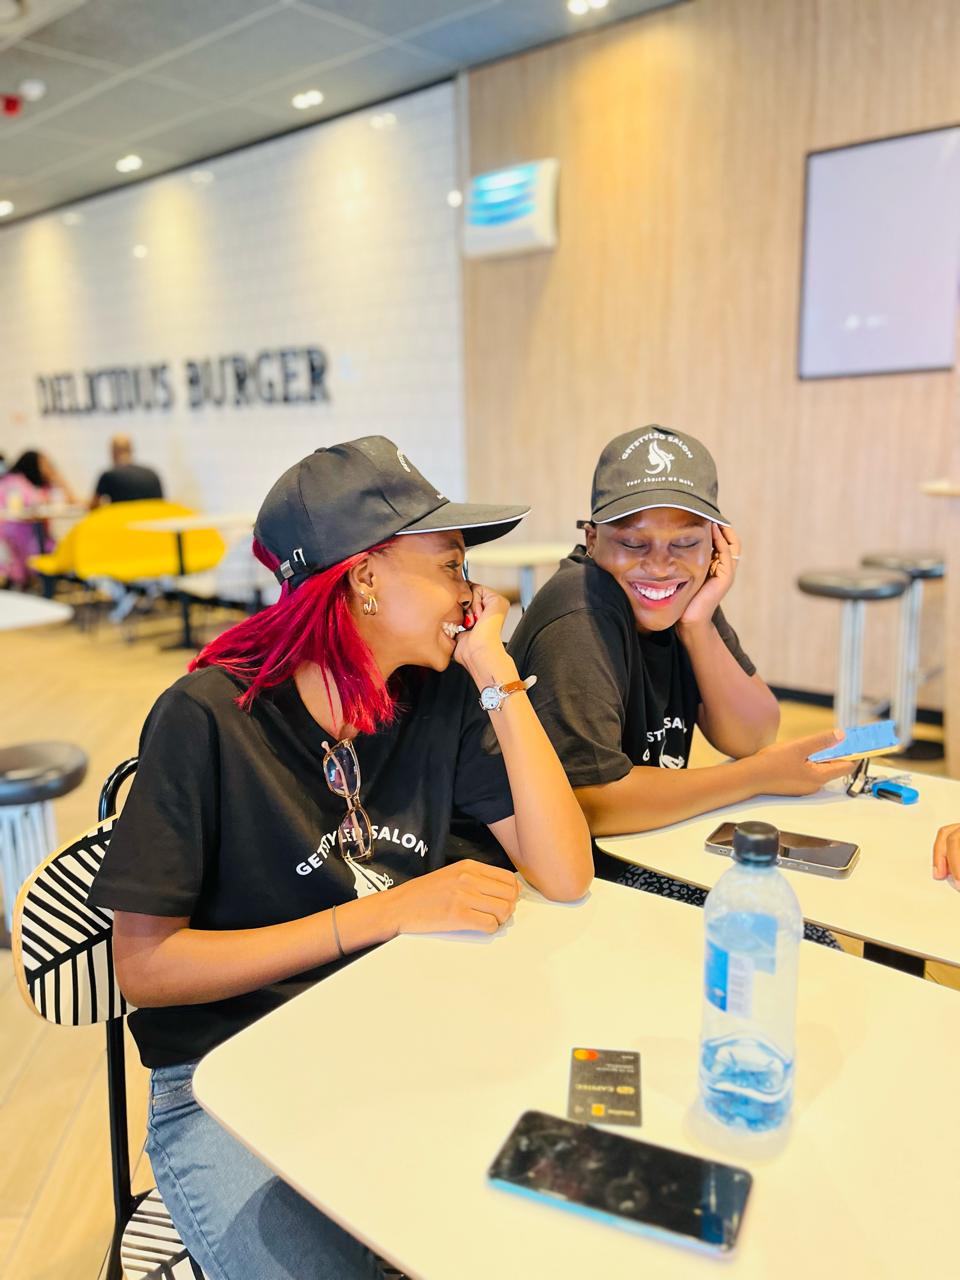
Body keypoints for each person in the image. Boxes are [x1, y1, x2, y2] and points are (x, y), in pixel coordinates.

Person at [87, 435, 593, 1280]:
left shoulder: (438, 693)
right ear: (364, 580)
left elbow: (566, 873)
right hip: (225, 1079)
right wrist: (382, 914)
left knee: (524, 1226)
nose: (475, 597)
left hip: (385, 1034)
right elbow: (145, 968)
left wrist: (496, 672)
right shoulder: (205, 718)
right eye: (453, 566)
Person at [506, 425, 850, 941]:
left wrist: (698, 623)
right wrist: (757, 776)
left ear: (716, 544)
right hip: (568, 887)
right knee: (792, 939)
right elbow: (595, 803)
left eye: (686, 542)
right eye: (633, 542)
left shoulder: (686, 599)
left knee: (806, 920)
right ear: (592, 539)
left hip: (644, 845)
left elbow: (751, 734)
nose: (660, 565)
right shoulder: (581, 607)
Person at [0, 449, 77, 586]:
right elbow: (33, 503)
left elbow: (71, 501)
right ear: (33, 464)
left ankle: (42, 583)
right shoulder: (14, 481)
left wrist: (58, 480)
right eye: (45, 464)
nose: (48, 468)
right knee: (49, 551)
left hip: (34, 534)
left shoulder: (38, 485)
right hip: (16, 533)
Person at [90, 433, 164, 507]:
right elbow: (162, 505)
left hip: (122, 514)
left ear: (113, 452)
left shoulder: (108, 476)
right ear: (131, 450)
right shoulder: (152, 474)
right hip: (149, 514)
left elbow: (93, 507)